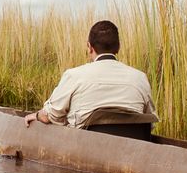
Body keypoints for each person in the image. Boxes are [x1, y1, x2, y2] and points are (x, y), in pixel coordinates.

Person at [25, 19, 157, 139]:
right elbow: (149, 122)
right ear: (118, 47)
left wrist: (36, 115)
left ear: (89, 47)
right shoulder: (140, 78)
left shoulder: (74, 75)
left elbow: (50, 116)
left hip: (85, 147)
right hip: (133, 148)